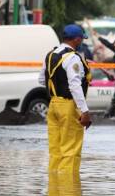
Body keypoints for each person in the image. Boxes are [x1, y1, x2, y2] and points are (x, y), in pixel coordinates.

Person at [40, 24, 93, 174]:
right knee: (70, 152)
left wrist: (57, 88)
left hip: (53, 105)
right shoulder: (72, 58)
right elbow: (75, 86)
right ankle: (68, 193)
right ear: (76, 39)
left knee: (55, 152)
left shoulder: (50, 55)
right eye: (81, 39)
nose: (82, 41)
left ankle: (55, 193)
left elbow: (42, 80)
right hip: (69, 106)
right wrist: (85, 111)